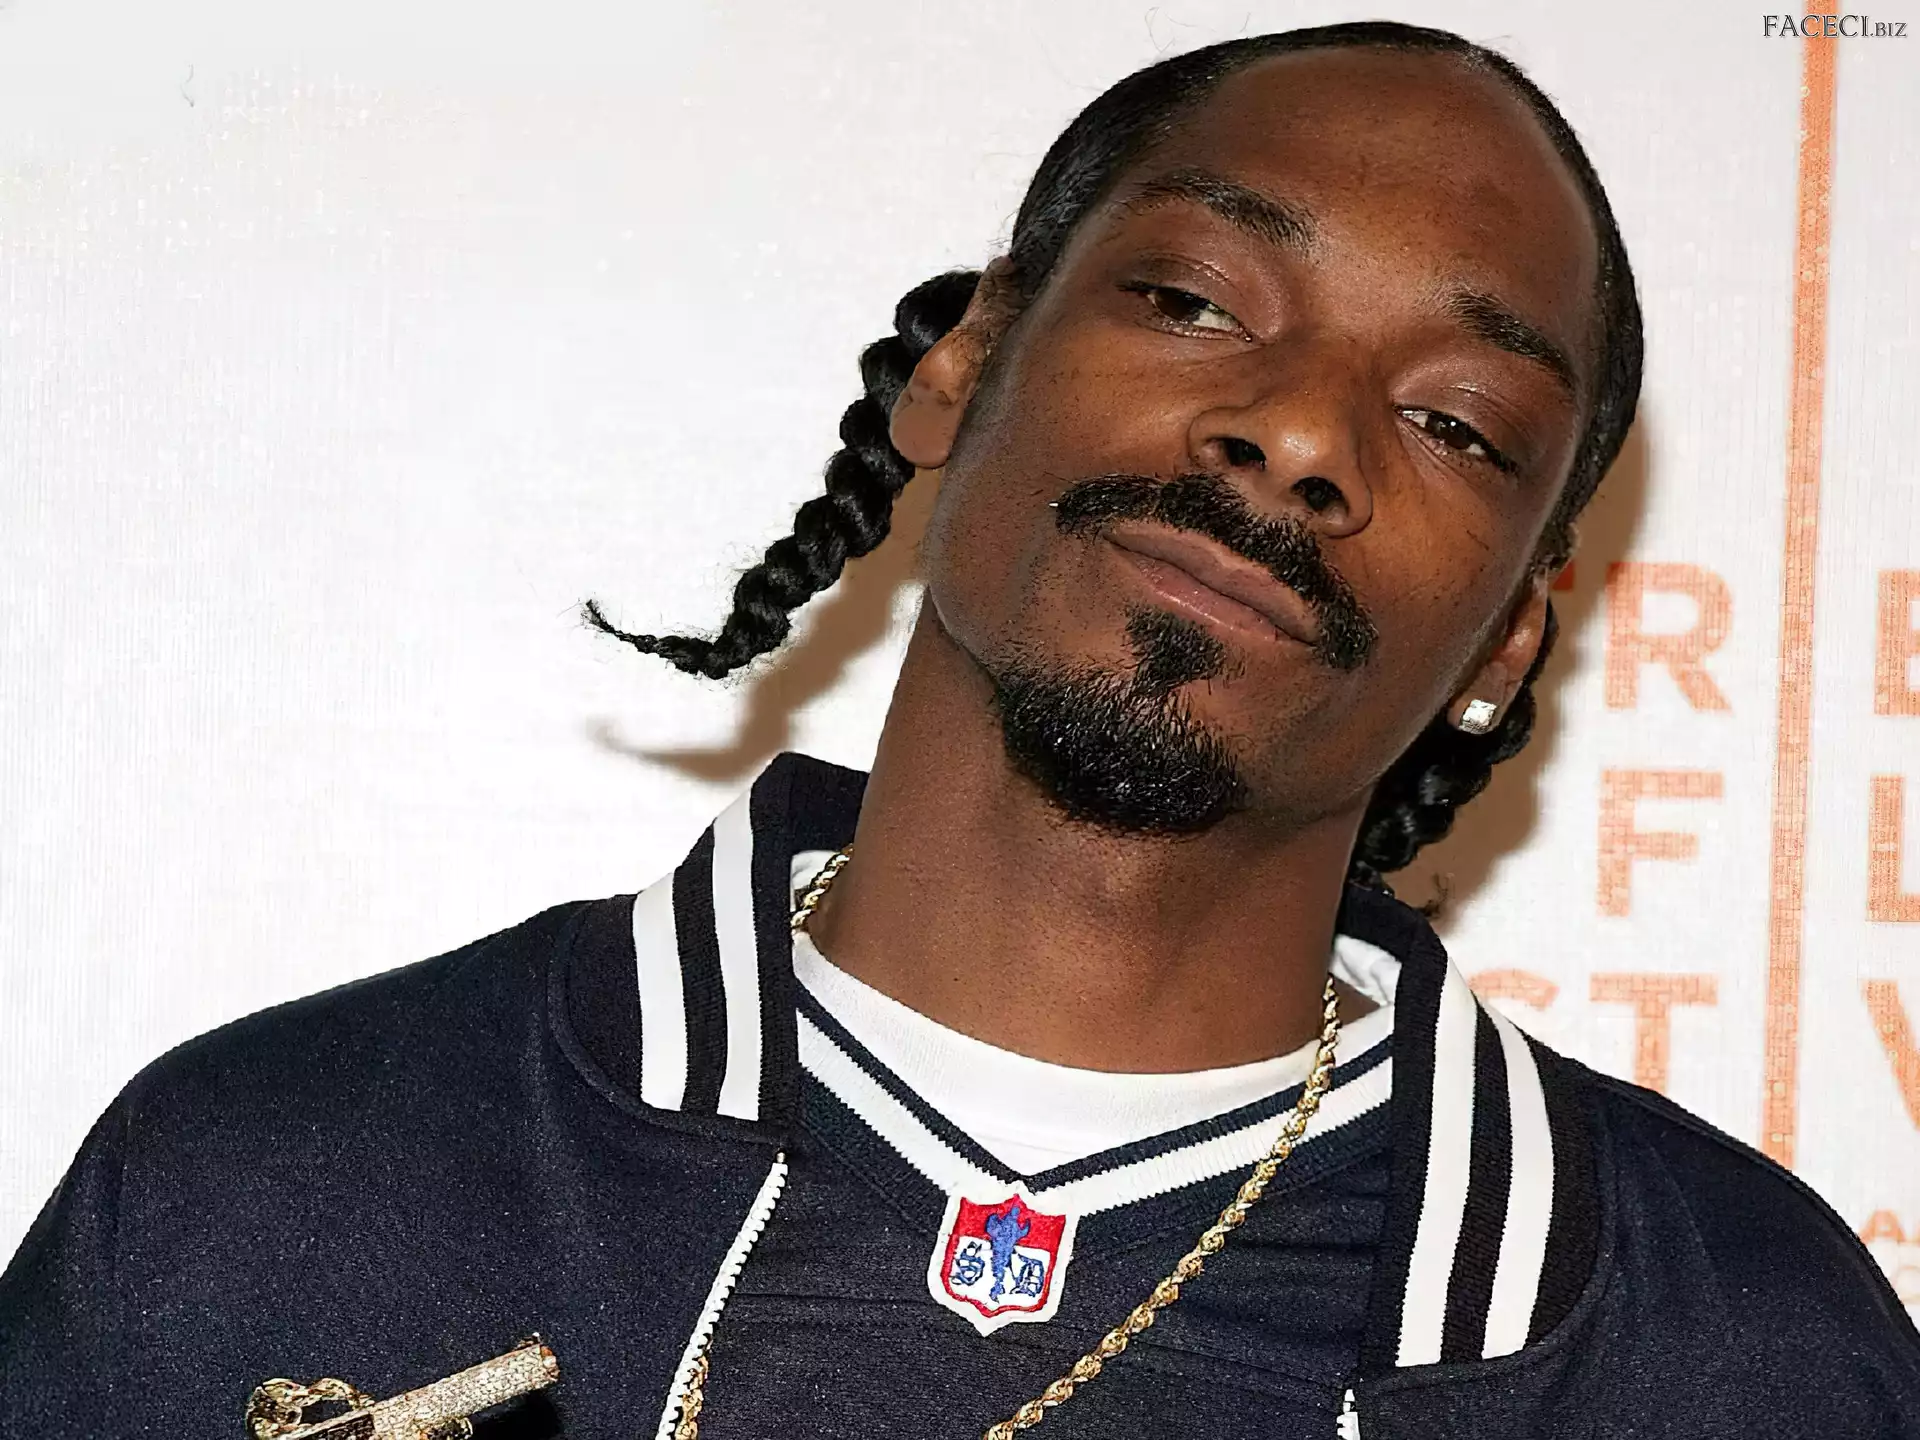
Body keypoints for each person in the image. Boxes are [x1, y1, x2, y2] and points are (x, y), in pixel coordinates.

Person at [3, 19, 1916, 1440]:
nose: (1300, 433)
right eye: (1195, 299)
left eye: (1456, 423)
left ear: (1509, 634)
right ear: (962, 368)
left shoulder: (1750, 1357)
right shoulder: (270, 1181)